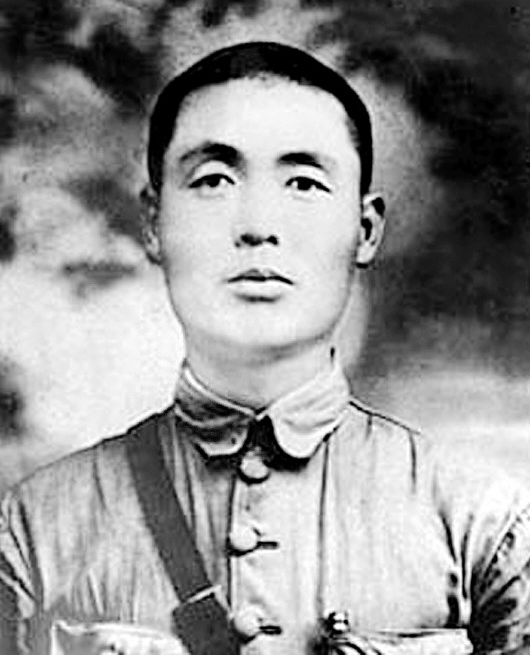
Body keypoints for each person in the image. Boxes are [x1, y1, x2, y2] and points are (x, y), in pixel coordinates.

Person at [0, 42, 529, 655]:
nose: (257, 226)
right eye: (213, 180)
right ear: (153, 223)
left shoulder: (481, 527)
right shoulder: (35, 531)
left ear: (365, 230)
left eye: (303, 182)